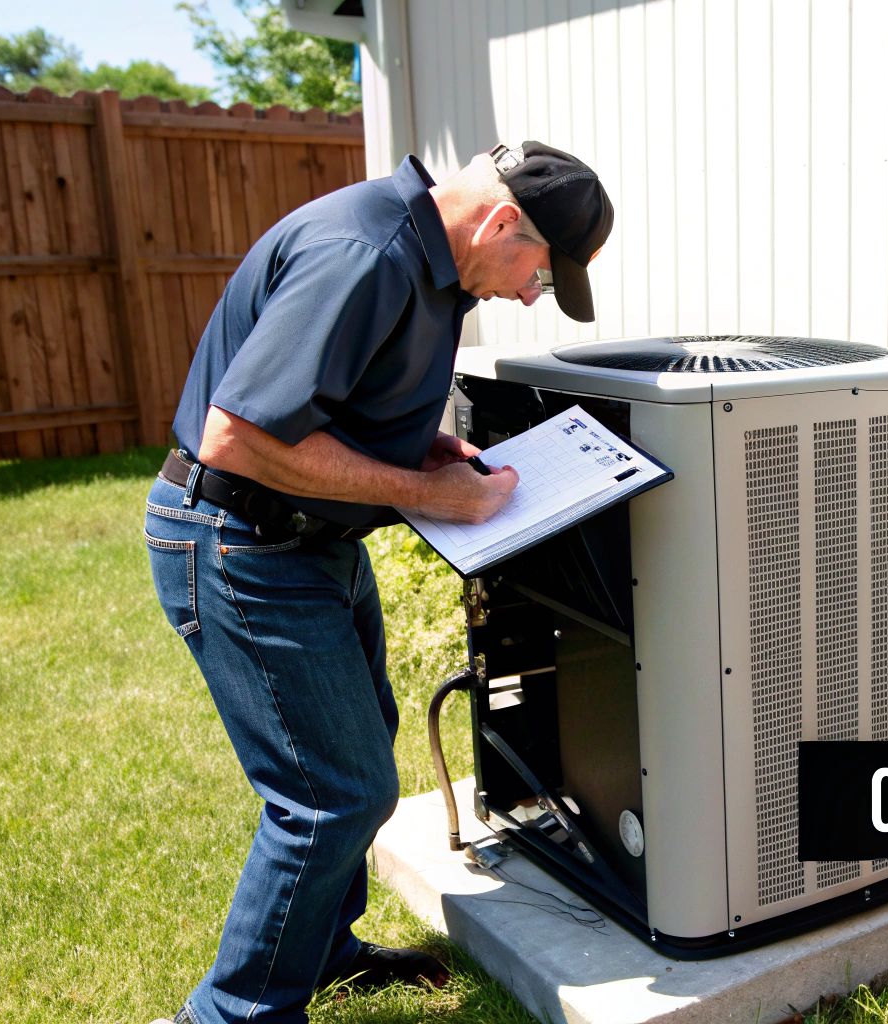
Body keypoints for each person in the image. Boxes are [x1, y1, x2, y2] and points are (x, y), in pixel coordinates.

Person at [143, 141, 613, 1024]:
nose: (528, 296)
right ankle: (231, 1015)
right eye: (542, 274)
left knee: (360, 755)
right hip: (244, 543)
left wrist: (419, 450)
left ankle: (322, 952)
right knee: (332, 795)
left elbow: (325, 405)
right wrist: (428, 494)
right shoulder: (364, 256)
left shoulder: (431, 267)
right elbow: (236, 438)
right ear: (502, 223)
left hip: (310, 544)